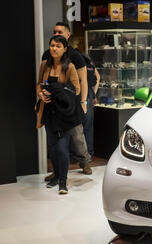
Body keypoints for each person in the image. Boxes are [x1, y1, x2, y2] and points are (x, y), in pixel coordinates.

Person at [42, 22, 92, 181]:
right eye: (55, 31)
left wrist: (83, 102)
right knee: (54, 139)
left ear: (68, 35)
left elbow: (83, 81)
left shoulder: (75, 56)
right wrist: (42, 94)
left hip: (72, 103)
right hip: (53, 106)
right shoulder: (47, 55)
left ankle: (84, 162)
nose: (57, 34)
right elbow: (41, 81)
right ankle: (57, 172)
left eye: (60, 32)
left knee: (77, 135)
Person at [37, 35, 84, 194]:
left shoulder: (69, 66)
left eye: (57, 46)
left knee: (62, 148)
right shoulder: (45, 65)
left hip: (63, 113)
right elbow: (39, 84)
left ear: (64, 49)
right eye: (51, 45)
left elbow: (76, 89)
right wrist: (41, 95)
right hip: (48, 112)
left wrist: (60, 92)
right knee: (53, 147)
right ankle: (56, 176)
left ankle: (63, 183)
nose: (54, 48)